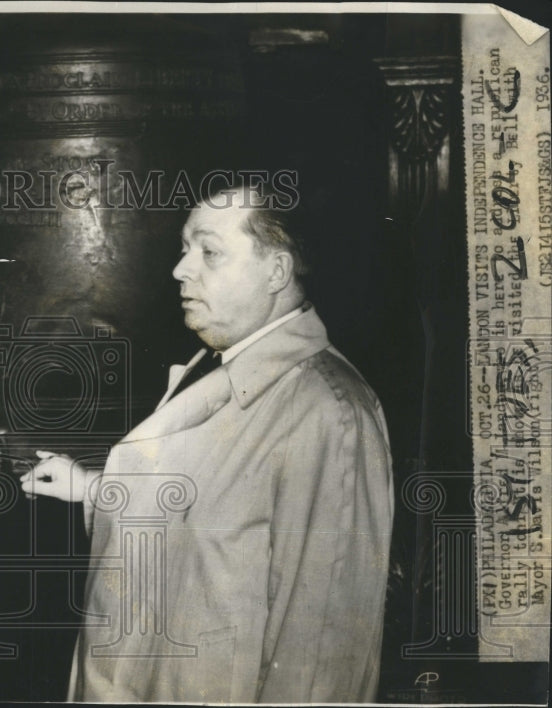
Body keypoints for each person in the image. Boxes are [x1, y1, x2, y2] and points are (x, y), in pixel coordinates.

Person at [22, 184, 394, 702]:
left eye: (209, 251)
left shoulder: (329, 413)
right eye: (184, 248)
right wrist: (91, 489)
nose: (180, 269)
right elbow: (213, 511)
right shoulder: (216, 364)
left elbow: (320, 655)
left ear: (276, 272)